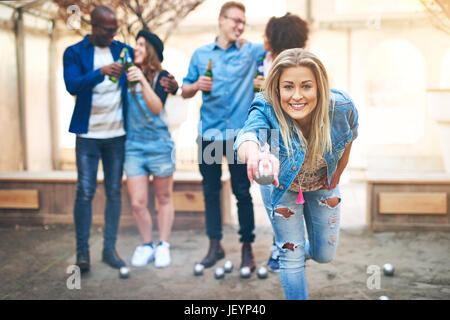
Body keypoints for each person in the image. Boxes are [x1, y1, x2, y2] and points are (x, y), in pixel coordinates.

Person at [235, 49, 358, 300]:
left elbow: (350, 135)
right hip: (282, 188)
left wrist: (339, 172)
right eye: (288, 87)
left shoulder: (341, 107)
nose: (297, 96)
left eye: (306, 86)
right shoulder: (265, 106)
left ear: (319, 88)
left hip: (322, 184)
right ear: (277, 89)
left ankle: (293, 252)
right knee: (290, 256)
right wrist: (255, 154)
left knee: (324, 254)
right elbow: (247, 136)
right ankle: (289, 254)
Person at [63, 6, 178, 273]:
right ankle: (83, 253)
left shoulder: (121, 50)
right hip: (88, 136)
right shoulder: (74, 52)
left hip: (117, 137)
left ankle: (110, 250)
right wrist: (101, 71)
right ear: (94, 27)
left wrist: (175, 85)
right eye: (108, 29)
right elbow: (72, 85)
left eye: (116, 28)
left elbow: (153, 65)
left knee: (114, 193)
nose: (114, 34)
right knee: (86, 192)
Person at [181, 1, 266, 272]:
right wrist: (195, 86)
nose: (239, 26)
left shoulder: (251, 51)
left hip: (241, 138)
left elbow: (275, 53)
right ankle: (214, 245)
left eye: (243, 22)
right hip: (210, 135)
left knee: (242, 192)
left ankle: (246, 248)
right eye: (235, 21)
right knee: (211, 192)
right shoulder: (201, 54)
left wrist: (262, 81)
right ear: (221, 20)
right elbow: (183, 90)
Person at [253, 13, 310, 273]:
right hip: (268, 137)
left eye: (268, 34)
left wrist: (271, 87)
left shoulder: (301, 63)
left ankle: (294, 245)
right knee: (270, 194)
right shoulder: (263, 60)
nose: (263, 39)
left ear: (278, 37)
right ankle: (281, 245)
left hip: (294, 138)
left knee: (298, 196)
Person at [125, 30, 176, 268]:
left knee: (164, 198)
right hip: (133, 146)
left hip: (159, 145)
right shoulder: (125, 74)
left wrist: (143, 80)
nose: (136, 47)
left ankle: (163, 245)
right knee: (138, 202)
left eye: (141, 45)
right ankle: (147, 245)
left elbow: (156, 107)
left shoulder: (163, 77)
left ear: (151, 50)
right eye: (135, 44)